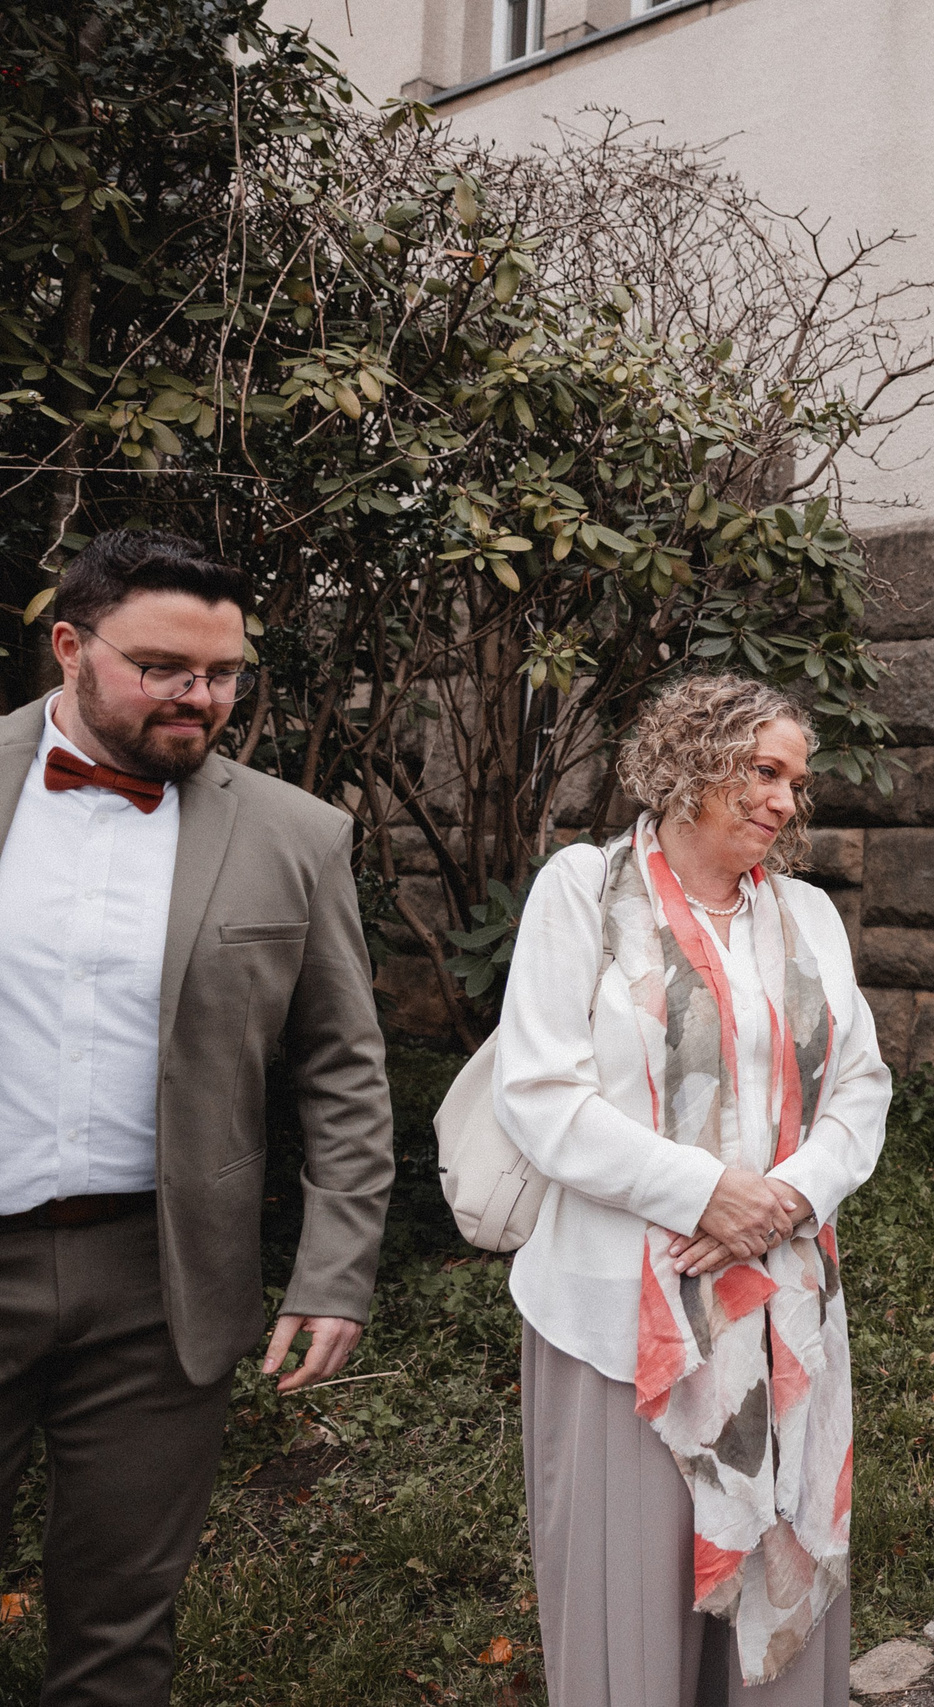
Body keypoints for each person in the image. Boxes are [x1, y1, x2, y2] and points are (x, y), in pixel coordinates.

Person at [0, 528, 396, 1703]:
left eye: (222, 673)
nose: (199, 696)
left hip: (160, 1283)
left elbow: (343, 1067)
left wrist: (335, 1269)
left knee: (121, 1628)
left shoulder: (297, 834)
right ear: (70, 648)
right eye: (163, 667)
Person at [495, 674, 891, 1706]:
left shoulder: (805, 915)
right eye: (763, 771)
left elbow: (862, 1087)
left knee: (778, 1601)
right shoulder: (583, 891)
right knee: (631, 1618)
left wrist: (783, 1200)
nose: (784, 802)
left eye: (794, 781)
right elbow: (539, 1092)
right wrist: (706, 1191)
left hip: (782, 1302)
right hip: (624, 1326)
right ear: (689, 763)